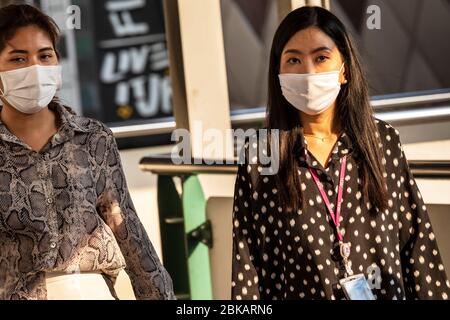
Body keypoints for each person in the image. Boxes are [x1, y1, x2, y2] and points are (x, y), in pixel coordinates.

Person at [231, 6, 450, 300]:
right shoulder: (261, 157)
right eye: (293, 59)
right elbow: (250, 268)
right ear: (279, 72)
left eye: (321, 58)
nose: (308, 72)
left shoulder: (382, 141)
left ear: (344, 69)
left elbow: (417, 247)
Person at [0, 4, 174, 300]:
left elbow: (127, 228)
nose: (35, 68)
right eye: (18, 58)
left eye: (45, 55)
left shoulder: (92, 139)